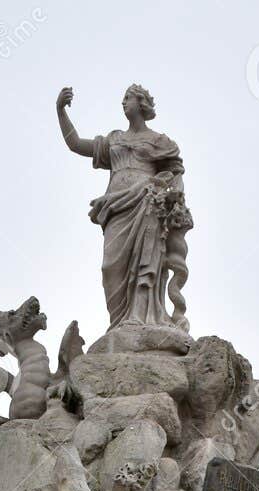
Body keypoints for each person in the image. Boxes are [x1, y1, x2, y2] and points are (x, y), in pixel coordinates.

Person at [56, 83, 191, 330]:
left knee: (145, 261)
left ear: (141, 103)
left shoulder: (158, 140)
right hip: (116, 207)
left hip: (146, 203)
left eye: (127, 98)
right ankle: (118, 325)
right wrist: (61, 111)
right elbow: (75, 144)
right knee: (111, 268)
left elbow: (176, 174)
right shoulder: (115, 139)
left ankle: (138, 318)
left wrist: (172, 198)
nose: (123, 102)